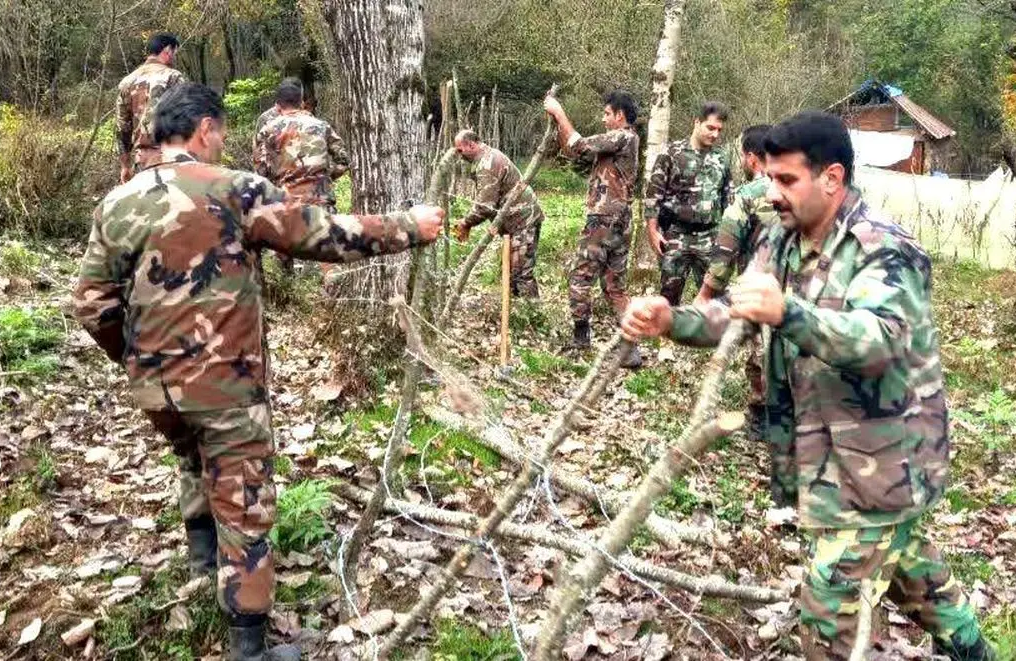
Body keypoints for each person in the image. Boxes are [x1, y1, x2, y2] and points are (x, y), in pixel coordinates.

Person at [72, 82, 444, 661]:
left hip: (153, 388)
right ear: (202, 131)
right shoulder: (234, 189)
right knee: (243, 497)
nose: (222, 142)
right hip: (227, 384)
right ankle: (248, 647)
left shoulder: (117, 201)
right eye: (220, 132)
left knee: (191, 457)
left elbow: (92, 305)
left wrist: (134, 357)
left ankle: (201, 567)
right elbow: (320, 234)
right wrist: (409, 227)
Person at [619, 111, 994, 661]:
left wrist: (788, 312)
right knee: (919, 580)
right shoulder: (780, 240)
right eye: (769, 178)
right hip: (826, 459)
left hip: (883, 465)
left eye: (787, 180)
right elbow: (738, 312)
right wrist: (672, 320)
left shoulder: (886, 250)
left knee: (826, 613)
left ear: (833, 178)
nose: (773, 193)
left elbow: (879, 340)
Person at [543, 90, 642, 368]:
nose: (603, 119)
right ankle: (630, 347)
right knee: (614, 286)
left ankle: (581, 338)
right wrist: (558, 123)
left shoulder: (623, 137)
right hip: (620, 220)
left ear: (620, 116)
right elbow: (573, 151)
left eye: (607, 114)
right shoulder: (616, 145)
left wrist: (559, 111)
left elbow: (580, 144)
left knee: (580, 277)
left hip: (603, 220)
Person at [696, 123, 776, 440]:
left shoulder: (749, 195)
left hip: (757, 290)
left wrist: (705, 294)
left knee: (761, 352)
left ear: (752, 158)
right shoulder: (804, 190)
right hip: (801, 291)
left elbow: (724, 251)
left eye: (744, 156)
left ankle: (760, 415)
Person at [253, 79, 351, 278]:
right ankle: (335, 298)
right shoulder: (321, 126)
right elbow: (344, 160)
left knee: (282, 253)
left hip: (285, 201)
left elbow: (260, 171)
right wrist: (327, 176)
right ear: (301, 102)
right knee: (327, 254)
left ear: (278, 105)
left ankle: (287, 297)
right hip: (321, 200)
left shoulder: (268, 130)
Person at [644, 101, 732, 305]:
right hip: (676, 235)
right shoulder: (672, 153)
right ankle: (667, 336)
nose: (715, 134)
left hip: (710, 237)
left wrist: (727, 238)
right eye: (710, 128)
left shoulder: (721, 158)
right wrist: (653, 231)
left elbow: (729, 198)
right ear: (697, 122)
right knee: (669, 296)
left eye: (719, 130)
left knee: (715, 298)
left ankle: (709, 336)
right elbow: (653, 195)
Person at [451, 129, 544, 298]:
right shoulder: (486, 158)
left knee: (521, 273)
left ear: (471, 144)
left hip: (523, 220)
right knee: (511, 271)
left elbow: (485, 206)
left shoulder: (488, 163)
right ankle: (516, 313)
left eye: (460, 150)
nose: (459, 154)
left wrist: (465, 222)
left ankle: (532, 315)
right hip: (515, 221)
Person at [115, 32, 186, 182]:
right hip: (170, 157)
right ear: (167, 50)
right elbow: (185, 118)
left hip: (142, 161)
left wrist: (125, 166)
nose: (174, 57)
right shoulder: (173, 77)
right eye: (174, 52)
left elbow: (122, 129)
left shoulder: (127, 82)